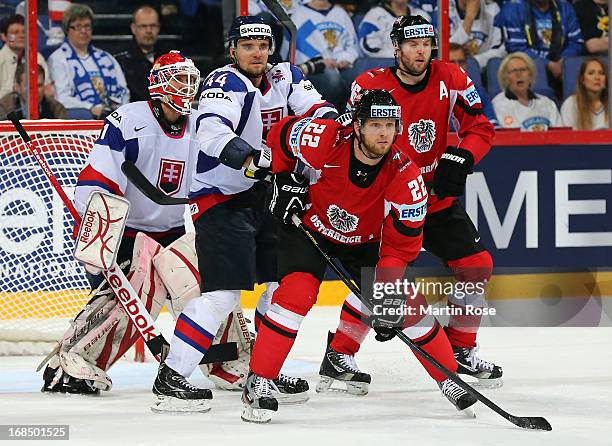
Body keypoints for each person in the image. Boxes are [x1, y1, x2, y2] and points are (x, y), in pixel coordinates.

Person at [241, 89, 479, 423]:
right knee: (296, 295)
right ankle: (260, 378)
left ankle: (448, 377)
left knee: (404, 302)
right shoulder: (324, 139)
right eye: (375, 124)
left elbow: (400, 247)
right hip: (309, 226)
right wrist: (282, 179)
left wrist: (385, 294)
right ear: (357, 126)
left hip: (365, 241)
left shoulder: (406, 177)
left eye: (391, 125)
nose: (384, 132)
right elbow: (280, 134)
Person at [150, 16, 338, 413]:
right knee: (223, 294)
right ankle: (172, 378)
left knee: (276, 288)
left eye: (264, 45)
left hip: (261, 198)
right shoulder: (223, 82)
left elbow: (322, 112)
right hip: (219, 199)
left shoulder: (285, 76)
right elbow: (213, 134)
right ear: (232, 49)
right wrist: (256, 159)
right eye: (248, 45)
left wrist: (322, 134)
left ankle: (263, 372)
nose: (258, 52)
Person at [328, 15, 501, 391]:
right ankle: (340, 352)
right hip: (386, 203)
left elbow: (481, 127)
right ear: (396, 48)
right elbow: (350, 140)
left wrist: (463, 156)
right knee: (381, 282)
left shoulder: (452, 77)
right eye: (411, 43)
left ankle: (461, 349)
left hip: (434, 199)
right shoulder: (369, 87)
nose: (421, 50)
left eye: (426, 43)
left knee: (476, 266)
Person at [40, 51, 202, 395]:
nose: (187, 87)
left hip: (174, 231)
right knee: (139, 288)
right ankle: (75, 360)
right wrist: (102, 232)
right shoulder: (128, 120)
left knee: (208, 287)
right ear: (158, 84)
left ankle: (227, 360)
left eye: (191, 79)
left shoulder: (202, 124)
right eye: (178, 78)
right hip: (128, 232)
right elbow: (95, 183)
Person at [48, 4, 129, 119]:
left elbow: (124, 89)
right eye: (78, 26)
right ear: (67, 29)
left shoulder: (106, 58)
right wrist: (90, 107)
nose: (84, 31)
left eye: (87, 26)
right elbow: (61, 97)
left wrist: (121, 109)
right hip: (82, 117)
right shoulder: (58, 59)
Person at [291, 0, 359, 109]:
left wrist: (346, 58)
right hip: (314, 69)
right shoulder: (299, 14)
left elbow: (353, 44)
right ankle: (329, 117)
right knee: (333, 79)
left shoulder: (340, 13)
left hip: (342, 65)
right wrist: (321, 62)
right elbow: (296, 54)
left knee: (361, 79)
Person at [495, 0, 584, 81]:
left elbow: (576, 42)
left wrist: (564, 60)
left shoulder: (565, 8)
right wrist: (547, 64)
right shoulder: (513, 9)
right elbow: (516, 48)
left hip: (561, 65)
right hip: (529, 67)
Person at [492, 52, 562, 130]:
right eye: (514, 71)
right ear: (505, 78)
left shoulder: (547, 104)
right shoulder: (498, 105)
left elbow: (560, 135)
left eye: (523, 70)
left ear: (531, 75)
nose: (519, 74)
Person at [115, 5, 164, 102]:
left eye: (153, 26)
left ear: (158, 28)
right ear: (133, 28)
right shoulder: (120, 61)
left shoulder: (169, 57)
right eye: (143, 26)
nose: (149, 31)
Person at [358, 0, 430, 58]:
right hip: (385, 64)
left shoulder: (422, 16)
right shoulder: (375, 15)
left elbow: (432, 44)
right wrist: (399, 54)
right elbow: (368, 47)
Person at [449, 43, 498, 126]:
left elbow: (492, 125)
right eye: (452, 62)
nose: (457, 67)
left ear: (467, 64)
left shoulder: (478, 92)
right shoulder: (433, 94)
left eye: (461, 62)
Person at [0, 14, 49, 99]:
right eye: (15, 32)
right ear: (4, 37)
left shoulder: (37, 57)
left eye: (24, 32)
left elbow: (47, 88)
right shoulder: (1, 58)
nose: (22, 36)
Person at [448, 0, 505, 69]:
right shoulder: (444, 10)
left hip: (484, 69)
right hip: (452, 69)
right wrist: (469, 20)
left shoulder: (492, 8)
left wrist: (473, 62)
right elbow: (446, 52)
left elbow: (501, 50)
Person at [0, 63, 66, 119]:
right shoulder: (4, 107)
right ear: (18, 87)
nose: (35, 91)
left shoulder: (56, 109)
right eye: (29, 86)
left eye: (39, 85)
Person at [560, 57, 609, 129]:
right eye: (591, 73)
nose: (597, 77)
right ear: (582, 80)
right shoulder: (570, 104)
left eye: (601, 73)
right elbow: (566, 137)